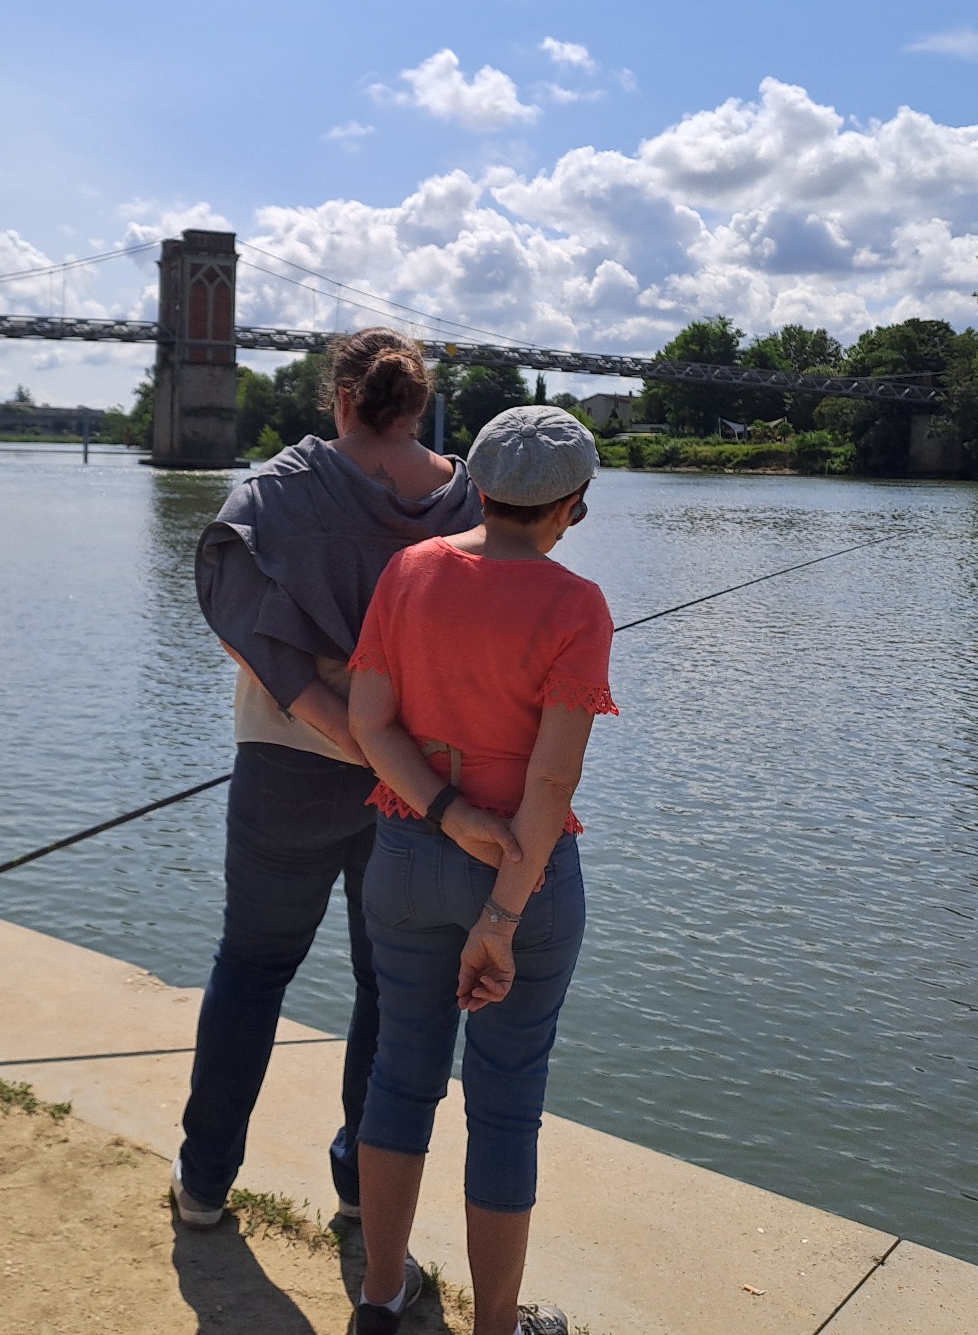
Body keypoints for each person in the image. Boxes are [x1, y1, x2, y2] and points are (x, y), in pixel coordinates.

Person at [171, 329, 484, 1229]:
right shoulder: (467, 499)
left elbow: (240, 625)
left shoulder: (275, 491)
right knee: (389, 986)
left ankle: (205, 1184)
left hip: (287, 770)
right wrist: (386, 749)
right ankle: (359, 1195)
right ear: (419, 405)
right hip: (418, 781)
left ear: (341, 398)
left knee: (253, 966)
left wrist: (340, 728)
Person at [344, 406, 616, 1335]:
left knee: (399, 1074)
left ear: (480, 489)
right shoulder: (576, 605)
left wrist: (447, 813)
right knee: (505, 1105)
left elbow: (371, 723)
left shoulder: (409, 571)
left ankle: (382, 1296)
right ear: (570, 507)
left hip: (405, 855)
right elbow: (549, 782)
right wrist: (499, 920)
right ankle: (497, 1326)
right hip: (525, 883)